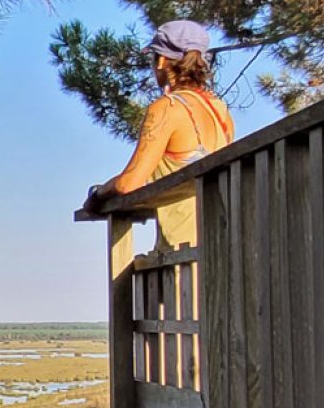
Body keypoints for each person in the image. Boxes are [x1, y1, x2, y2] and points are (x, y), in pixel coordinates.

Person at [82, 19, 235, 248]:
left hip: (182, 251)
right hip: (220, 245)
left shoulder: (167, 108)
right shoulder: (220, 110)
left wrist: (97, 194)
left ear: (162, 60)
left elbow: (129, 183)